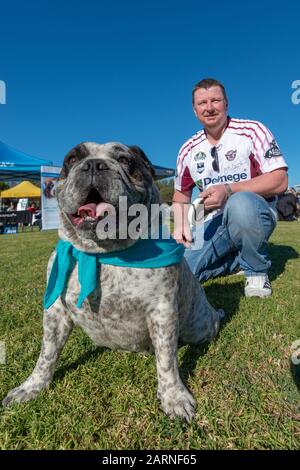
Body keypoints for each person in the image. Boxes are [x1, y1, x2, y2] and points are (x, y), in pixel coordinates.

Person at [173, 78, 288, 297]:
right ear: (194, 110)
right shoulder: (187, 149)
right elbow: (180, 196)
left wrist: (228, 190)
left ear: (226, 104)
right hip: (211, 222)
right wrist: (181, 227)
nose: (209, 108)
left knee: (240, 202)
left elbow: (280, 180)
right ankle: (234, 261)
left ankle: (256, 272)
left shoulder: (252, 130)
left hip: (254, 213)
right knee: (181, 269)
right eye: (202, 103)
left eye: (215, 100)